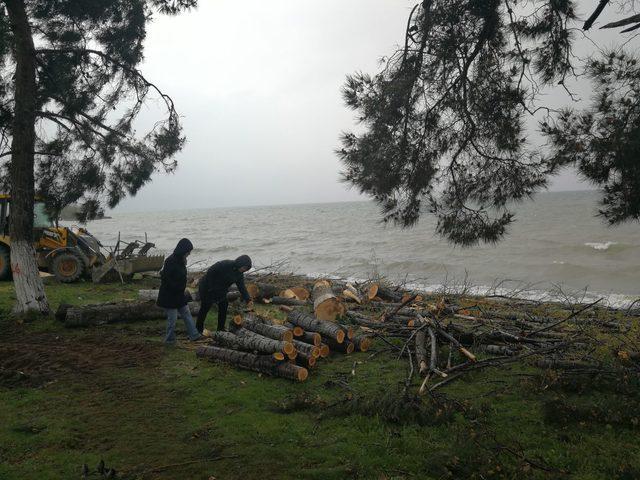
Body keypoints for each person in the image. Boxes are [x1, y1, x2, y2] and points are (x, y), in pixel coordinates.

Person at [157, 238, 202, 344]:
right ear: (183, 250)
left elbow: (181, 276)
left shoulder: (182, 260)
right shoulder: (170, 260)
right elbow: (165, 277)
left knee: (186, 313)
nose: (189, 253)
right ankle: (169, 340)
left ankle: (194, 335)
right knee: (172, 319)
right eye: (188, 251)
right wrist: (176, 287)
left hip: (179, 295)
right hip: (169, 295)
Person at [196, 255, 253, 333]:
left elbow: (242, 287)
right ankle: (198, 329)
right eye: (244, 267)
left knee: (224, 306)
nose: (244, 270)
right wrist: (211, 287)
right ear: (240, 263)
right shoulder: (225, 264)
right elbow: (210, 272)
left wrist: (248, 299)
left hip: (220, 291)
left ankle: (220, 329)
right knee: (205, 307)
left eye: (246, 269)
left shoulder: (239, 274)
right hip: (207, 287)